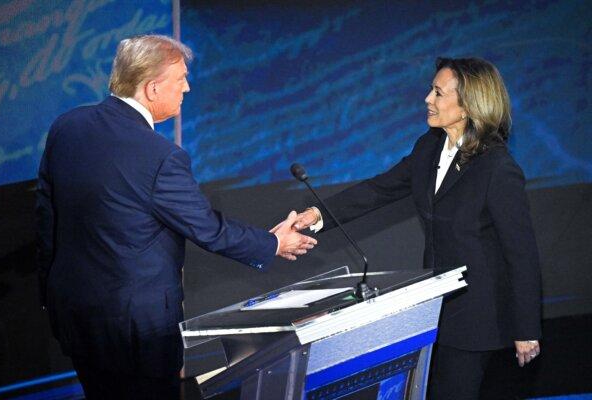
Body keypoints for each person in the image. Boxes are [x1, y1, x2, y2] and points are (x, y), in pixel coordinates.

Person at [35, 34, 317, 399]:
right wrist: (274, 242)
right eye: (180, 78)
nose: (187, 86)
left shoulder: (68, 127)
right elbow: (207, 228)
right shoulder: (159, 156)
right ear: (152, 88)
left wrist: (50, 292)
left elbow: (46, 215)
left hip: (76, 314)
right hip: (138, 332)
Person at [291, 57, 541, 399]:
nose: (428, 98)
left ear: (468, 105)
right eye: (431, 90)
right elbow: (380, 189)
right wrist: (317, 214)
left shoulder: (497, 168)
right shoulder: (430, 146)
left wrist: (526, 328)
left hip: (477, 317)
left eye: (438, 92)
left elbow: (521, 252)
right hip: (434, 311)